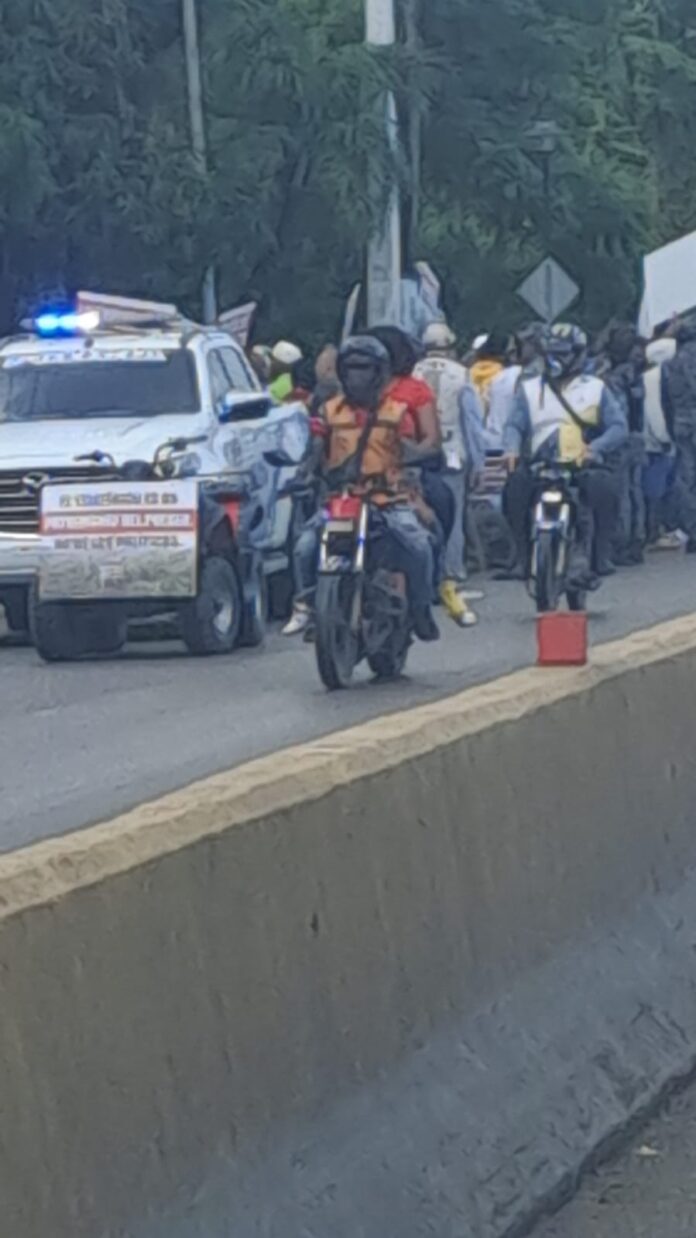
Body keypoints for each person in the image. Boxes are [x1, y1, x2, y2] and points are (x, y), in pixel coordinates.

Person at [285, 336, 439, 642]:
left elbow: (421, 448)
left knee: (419, 545)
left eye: (365, 369)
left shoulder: (396, 411)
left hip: (388, 498)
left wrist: (414, 458)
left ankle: (422, 609)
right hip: (341, 499)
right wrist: (303, 473)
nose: (358, 377)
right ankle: (305, 605)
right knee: (304, 545)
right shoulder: (328, 410)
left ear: (379, 372)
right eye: (352, 369)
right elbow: (315, 448)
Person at [501, 323, 628, 583]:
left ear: (579, 355)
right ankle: (522, 556)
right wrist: (511, 449)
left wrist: (596, 449)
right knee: (513, 491)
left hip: (582, 465)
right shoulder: (529, 388)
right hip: (539, 464)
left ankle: (599, 556)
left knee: (606, 492)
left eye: (564, 354)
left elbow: (618, 427)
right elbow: (514, 424)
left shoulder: (595, 387)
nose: (557, 360)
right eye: (552, 353)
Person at [369, 324, 477, 626]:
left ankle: (440, 583)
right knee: (310, 542)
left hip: (406, 476)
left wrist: (404, 455)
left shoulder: (414, 389)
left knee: (440, 510)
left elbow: (431, 441)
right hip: (355, 484)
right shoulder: (345, 401)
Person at [415, 322, 485, 601]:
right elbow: (473, 423)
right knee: (453, 517)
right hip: (453, 451)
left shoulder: (413, 373)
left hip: (419, 452)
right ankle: (452, 572)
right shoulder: (462, 375)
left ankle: (426, 572)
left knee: (421, 515)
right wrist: (478, 463)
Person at [596, 322, 647, 566]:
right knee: (635, 491)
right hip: (637, 435)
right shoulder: (635, 373)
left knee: (621, 493)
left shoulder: (612, 377)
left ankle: (622, 542)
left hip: (621, 438)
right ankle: (637, 540)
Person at [663, 313, 696, 553]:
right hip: (689, 418)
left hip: (682, 421)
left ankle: (692, 528)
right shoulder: (688, 356)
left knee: (686, 477)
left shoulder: (671, 358)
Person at [643, 337, 679, 547]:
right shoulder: (654, 377)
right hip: (656, 444)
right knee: (656, 489)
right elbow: (654, 410)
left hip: (656, 441)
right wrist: (664, 437)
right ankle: (655, 531)